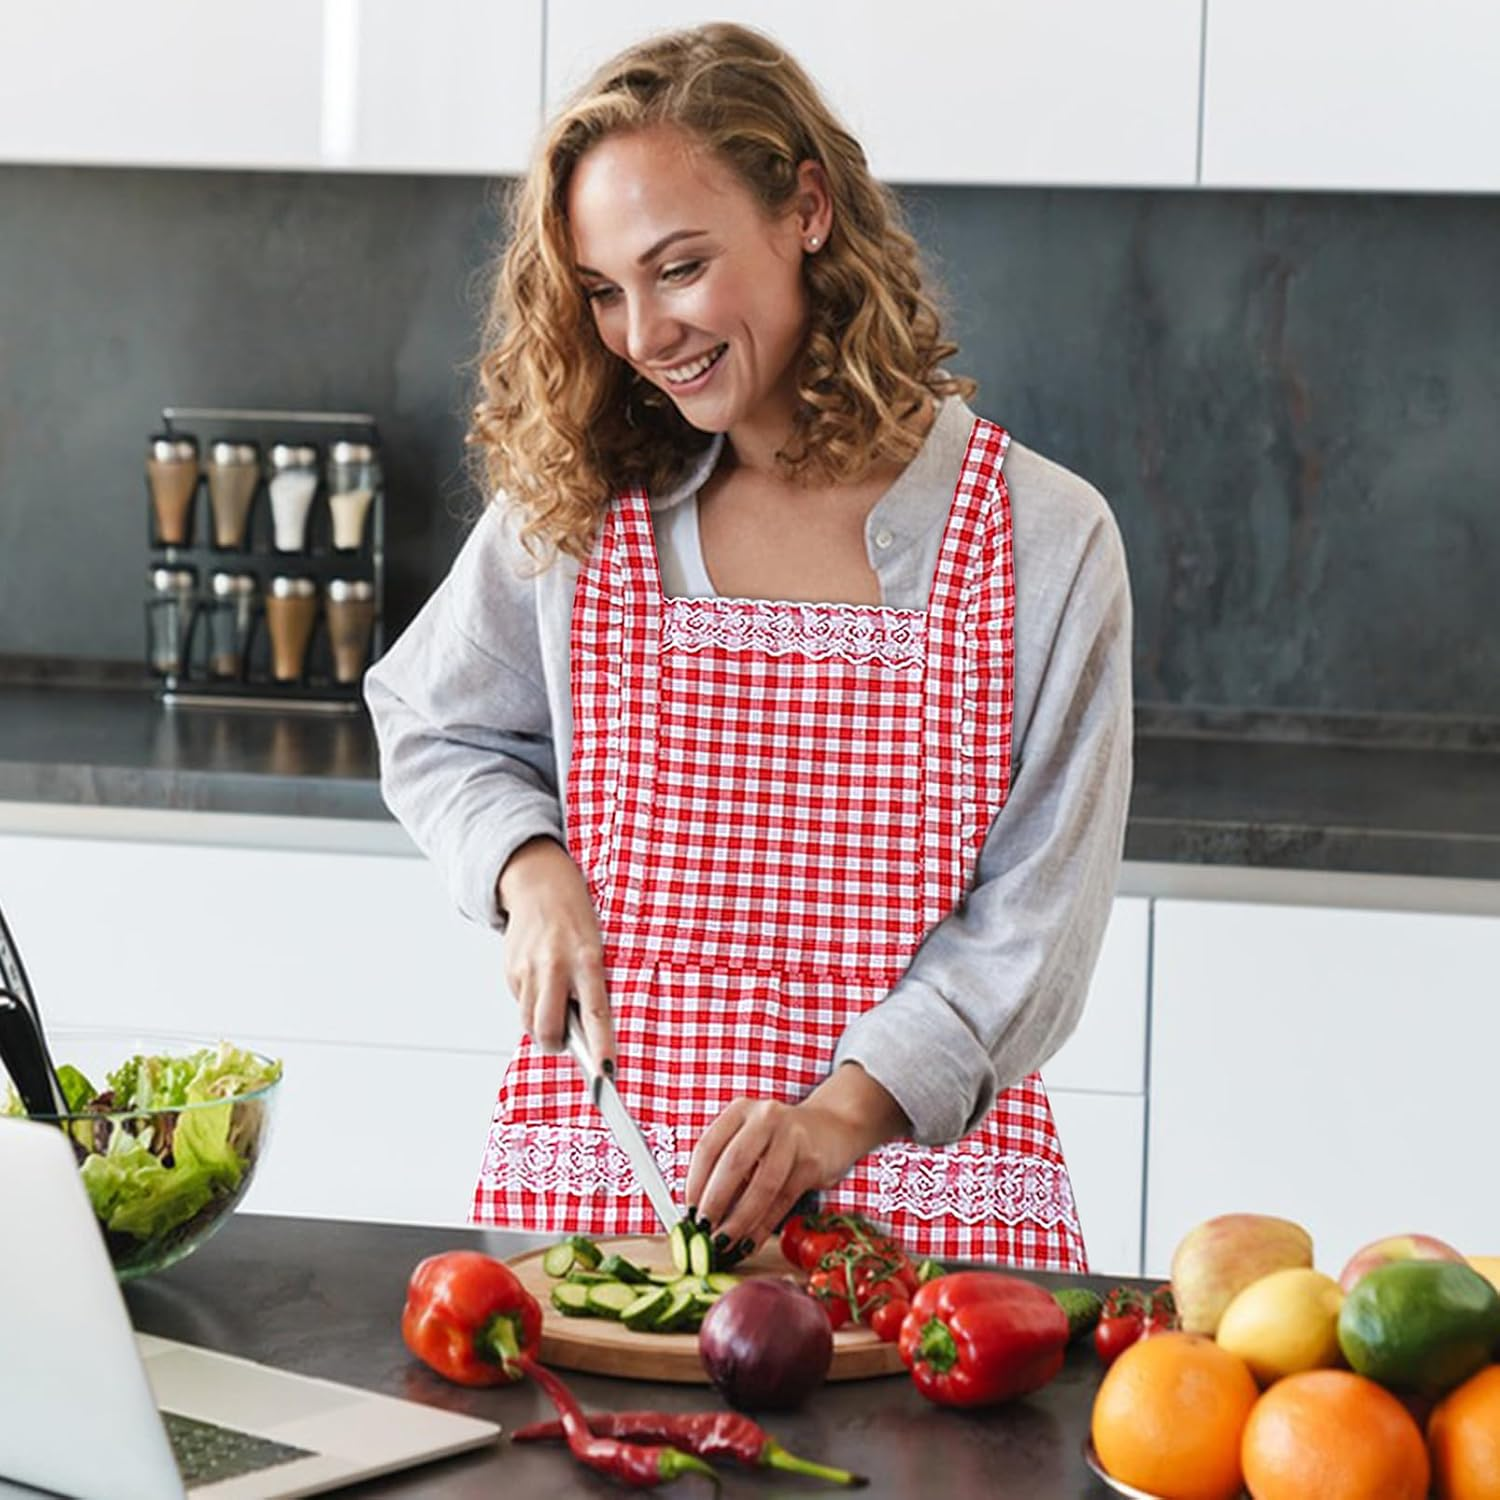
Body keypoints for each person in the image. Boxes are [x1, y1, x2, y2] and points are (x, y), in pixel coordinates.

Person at [365, 22, 1131, 1271]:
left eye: (678, 268)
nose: (642, 335)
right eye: (603, 291)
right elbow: (432, 720)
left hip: (919, 1229)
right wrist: (529, 866)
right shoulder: (582, 508)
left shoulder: (1040, 539)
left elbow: (1035, 934)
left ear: (808, 211)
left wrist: (838, 1121)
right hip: (608, 1202)